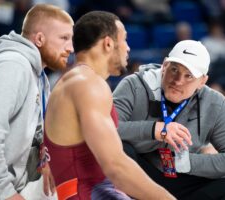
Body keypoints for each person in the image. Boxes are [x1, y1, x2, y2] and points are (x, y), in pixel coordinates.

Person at [44, 11, 175, 200]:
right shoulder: (88, 84)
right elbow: (116, 166)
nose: (128, 48)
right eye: (125, 40)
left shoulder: (72, 82)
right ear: (108, 43)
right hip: (89, 193)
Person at [0, 4, 74, 200]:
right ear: (39, 39)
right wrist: (7, 192)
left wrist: (43, 158)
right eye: (63, 38)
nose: (70, 47)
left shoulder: (37, 74)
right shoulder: (12, 67)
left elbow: (31, 132)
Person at [113, 40, 225, 200]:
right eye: (174, 70)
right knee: (120, 148)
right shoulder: (135, 85)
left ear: (202, 81)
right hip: (138, 173)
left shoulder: (215, 103)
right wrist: (154, 130)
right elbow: (105, 129)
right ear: (164, 66)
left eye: (189, 76)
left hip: (181, 176)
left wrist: (183, 162)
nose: (178, 81)